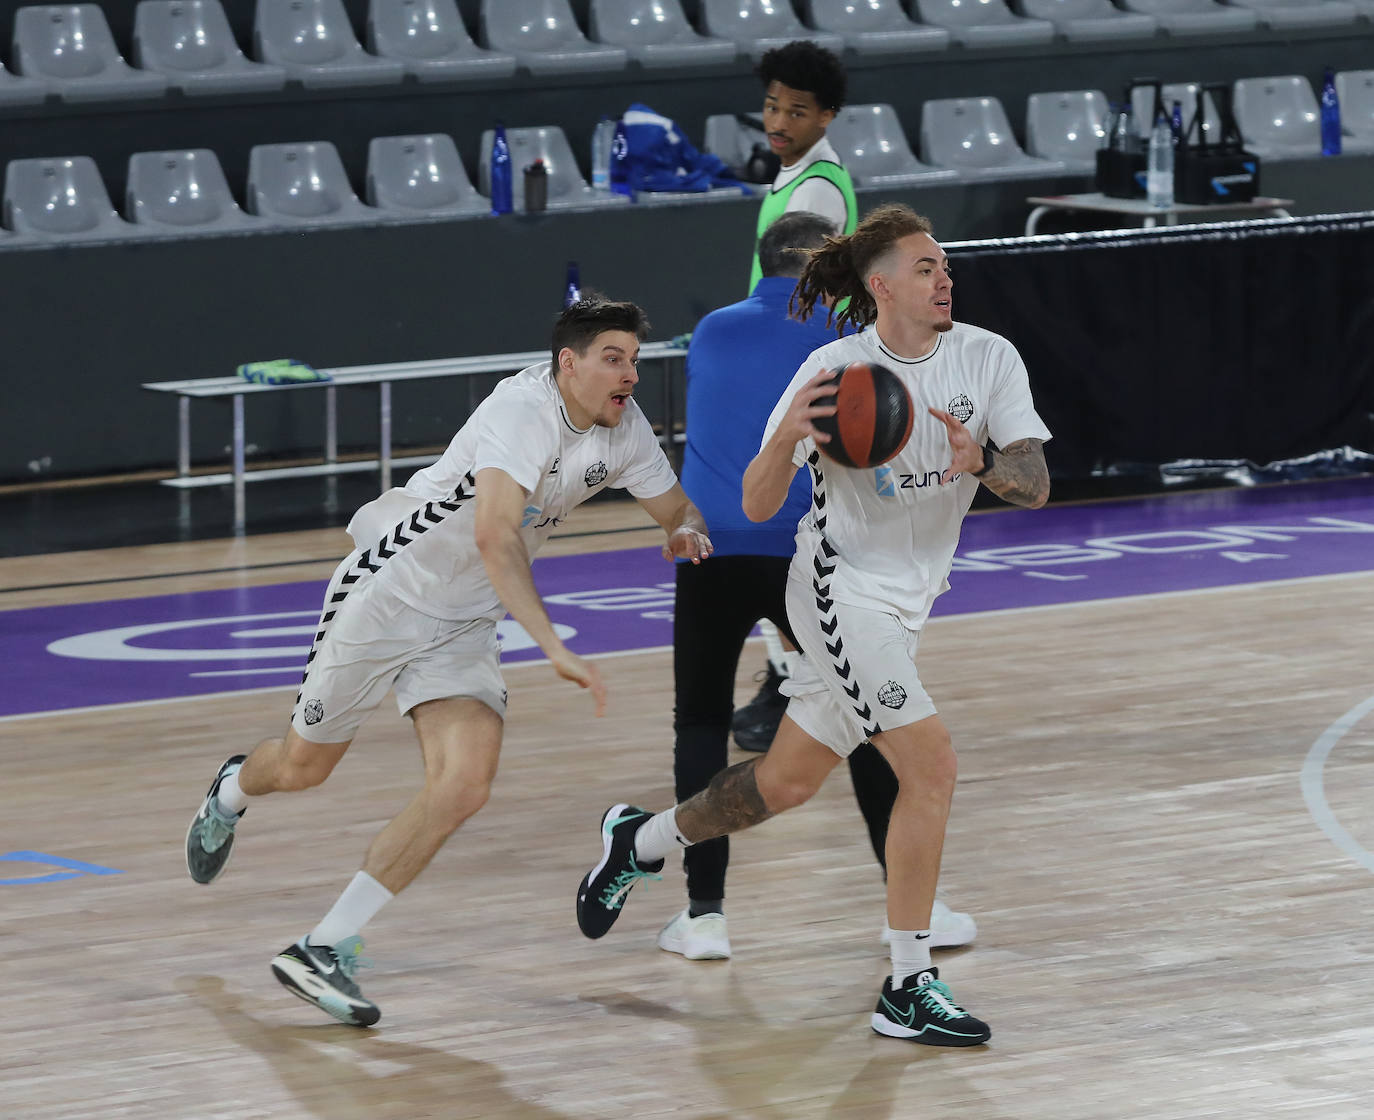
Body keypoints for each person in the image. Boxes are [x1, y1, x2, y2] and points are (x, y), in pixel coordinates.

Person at [576, 204, 1052, 1047]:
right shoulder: (834, 371)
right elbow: (756, 502)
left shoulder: (989, 357)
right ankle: (908, 983)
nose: (945, 278)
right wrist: (788, 437)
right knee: (930, 767)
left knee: (786, 784)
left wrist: (985, 462)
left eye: (945, 267)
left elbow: (1036, 481)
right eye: (925, 267)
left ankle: (640, 838)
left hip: (907, 604)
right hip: (836, 588)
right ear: (880, 286)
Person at [185, 297, 713, 1028]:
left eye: (635, 359)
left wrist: (687, 531)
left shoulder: (624, 433)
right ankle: (232, 790)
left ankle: (322, 947)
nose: (630, 373)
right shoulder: (520, 410)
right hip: (389, 592)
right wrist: (553, 645)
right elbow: (497, 537)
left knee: (463, 785)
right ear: (570, 363)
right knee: (303, 769)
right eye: (613, 358)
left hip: (463, 621)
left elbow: (678, 508)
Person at [664, 211, 974, 962]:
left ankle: (704, 915)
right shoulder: (854, 340)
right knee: (865, 718)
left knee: (700, 723)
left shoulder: (710, 329)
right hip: (808, 553)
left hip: (711, 542)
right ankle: (905, 910)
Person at [738, 38, 858, 751]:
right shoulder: (792, 175)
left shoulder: (816, 191)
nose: (778, 121)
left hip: (799, 372)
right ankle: (790, 674)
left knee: (783, 540)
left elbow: (806, 301)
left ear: (827, 116)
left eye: (797, 111)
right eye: (772, 105)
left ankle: (799, 684)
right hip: (788, 365)